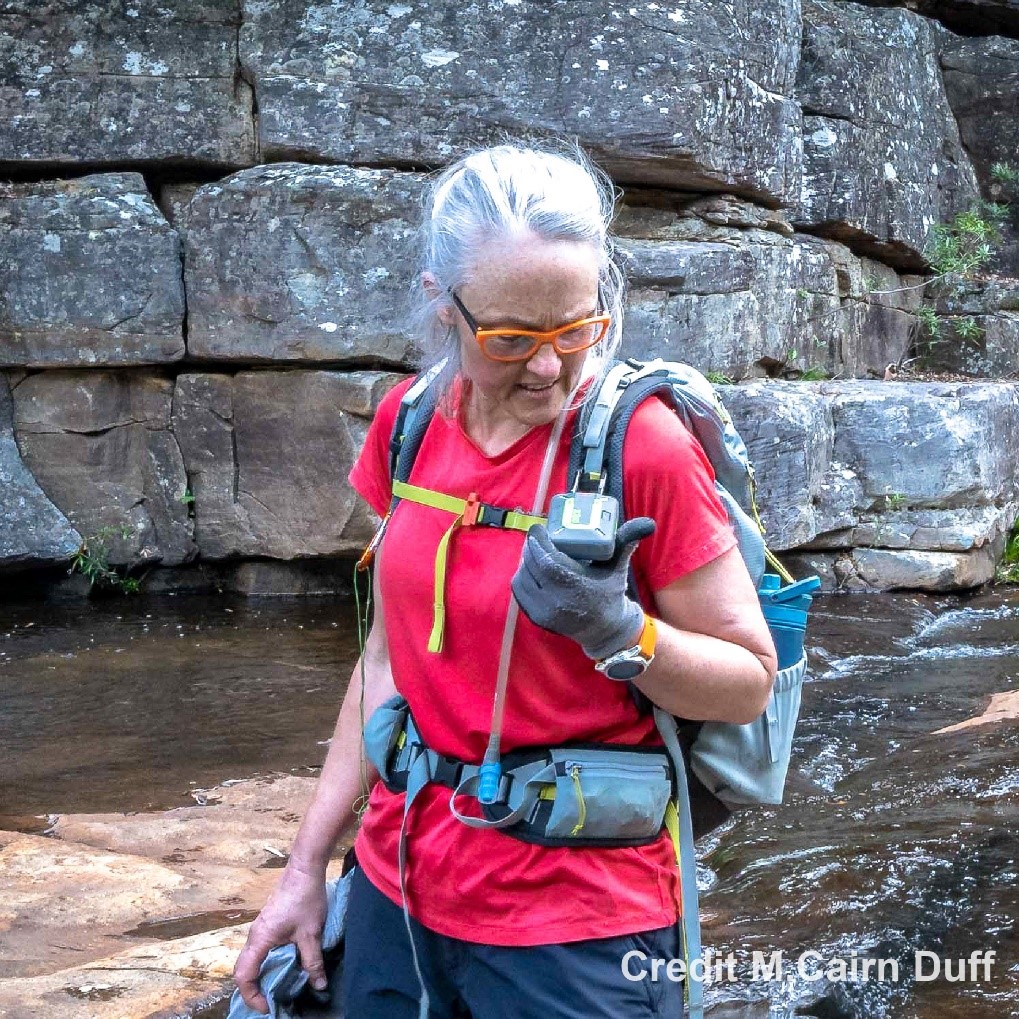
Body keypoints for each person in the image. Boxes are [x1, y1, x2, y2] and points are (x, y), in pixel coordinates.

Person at [233, 143, 778, 1018]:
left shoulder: (643, 448)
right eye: (511, 338)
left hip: (578, 918)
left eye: (576, 327)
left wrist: (616, 630)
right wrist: (303, 870)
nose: (549, 368)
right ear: (440, 307)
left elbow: (747, 682)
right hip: (396, 887)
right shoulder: (408, 424)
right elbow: (384, 659)